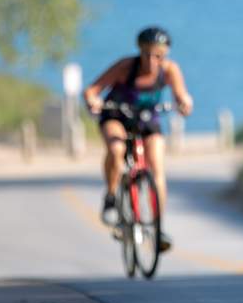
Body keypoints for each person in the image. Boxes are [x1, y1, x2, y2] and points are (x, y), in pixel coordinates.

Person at [83, 26, 193, 251]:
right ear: (140, 51)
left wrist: (184, 104)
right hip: (116, 115)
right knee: (116, 149)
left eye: (159, 56)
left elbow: (183, 96)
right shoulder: (125, 67)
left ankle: (158, 225)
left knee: (157, 166)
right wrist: (93, 101)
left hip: (145, 119)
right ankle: (112, 196)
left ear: (166, 55)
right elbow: (92, 90)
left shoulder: (170, 70)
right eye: (147, 54)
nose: (152, 61)